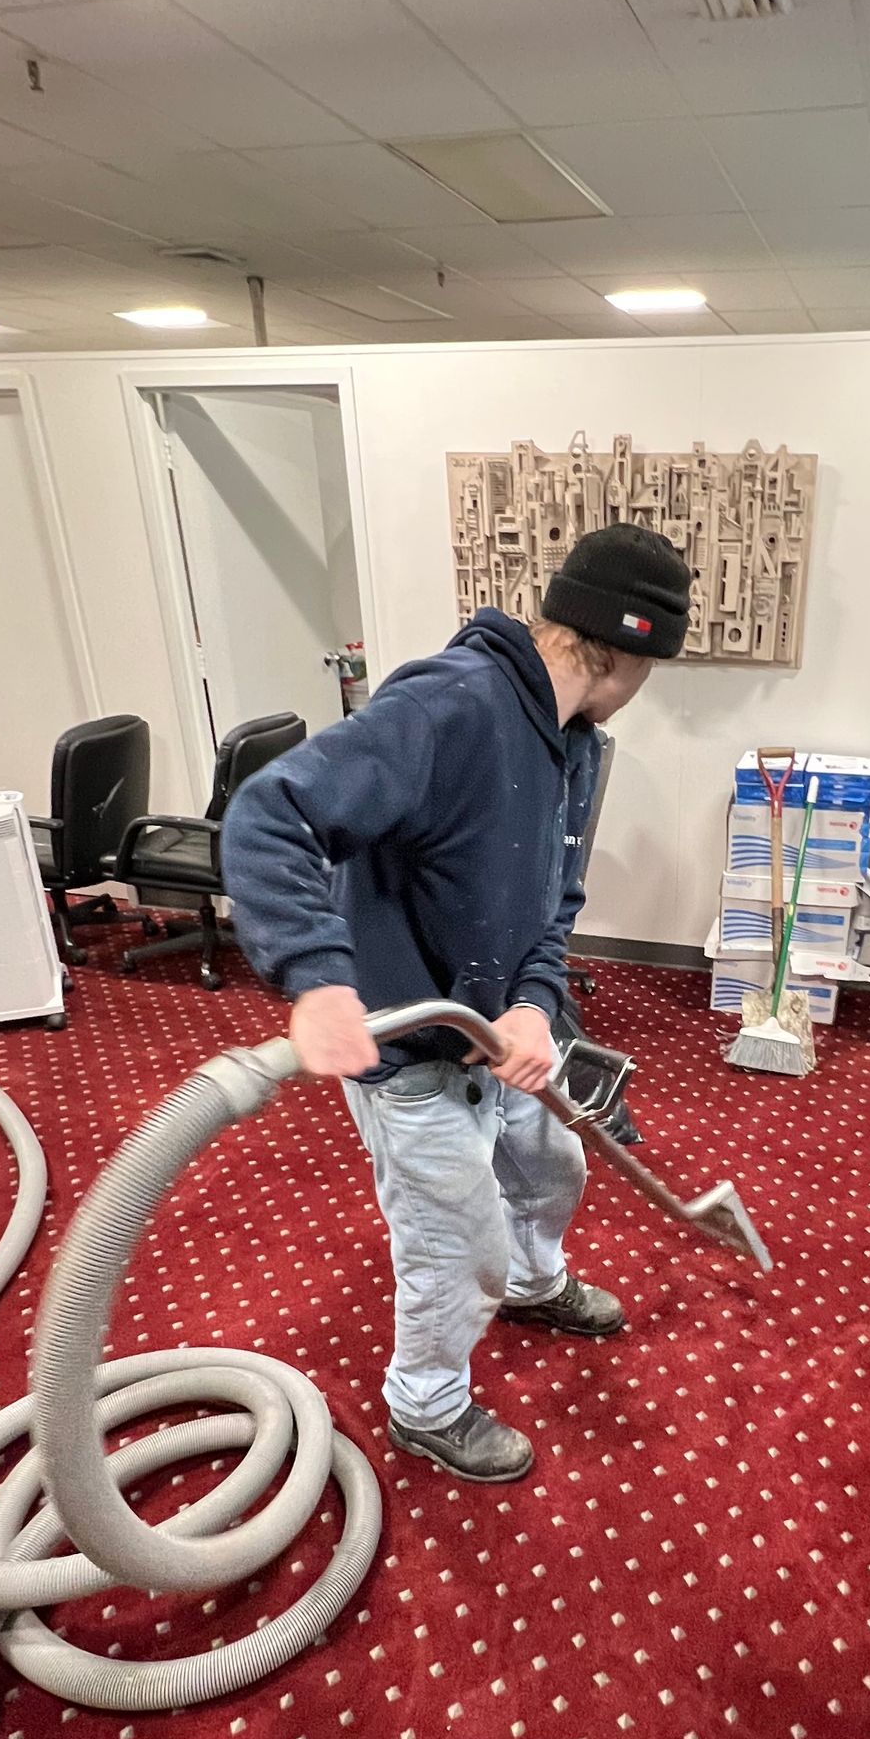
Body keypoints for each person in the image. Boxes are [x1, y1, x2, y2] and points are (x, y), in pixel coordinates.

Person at [222, 522, 693, 1485]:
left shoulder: (579, 746)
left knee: (552, 1163)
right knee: (453, 1240)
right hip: (415, 1055)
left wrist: (532, 1003)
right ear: (625, 647)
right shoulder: (454, 707)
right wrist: (317, 975)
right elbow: (271, 814)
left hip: (503, 1033)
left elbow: (556, 899)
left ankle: (534, 1282)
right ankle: (425, 1402)